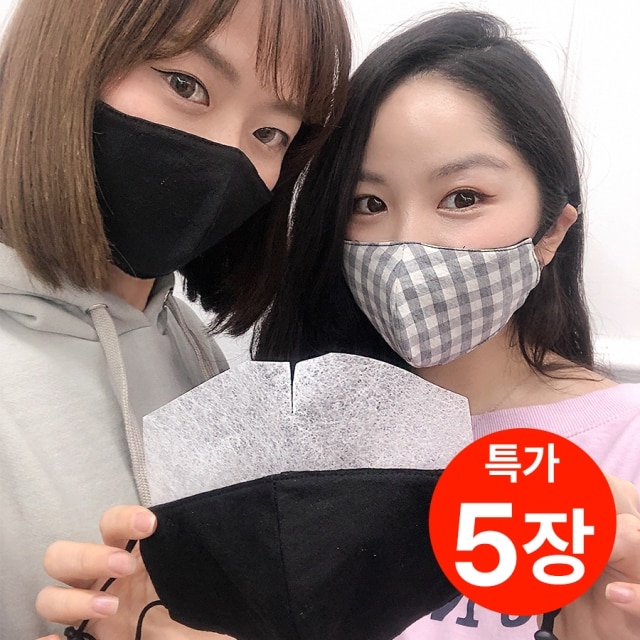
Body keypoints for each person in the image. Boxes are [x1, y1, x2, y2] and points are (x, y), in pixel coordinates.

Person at [34, 9, 640, 640]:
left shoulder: (624, 452)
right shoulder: (281, 435)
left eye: (463, 198)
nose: (408, 244)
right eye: (368, 203)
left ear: (552, 229)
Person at [0, 0, 350, 637]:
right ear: (65, 59)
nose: (226, 152)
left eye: (270, 133)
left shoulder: (191, 345)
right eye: (186, 85)